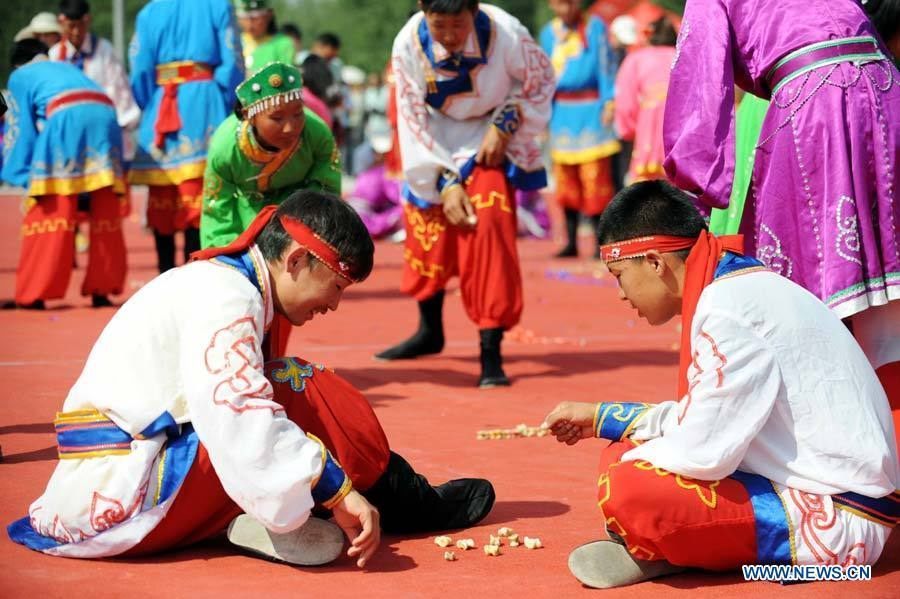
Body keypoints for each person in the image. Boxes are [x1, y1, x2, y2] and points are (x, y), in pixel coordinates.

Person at [7, 191, 494, 564]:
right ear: (297, 260)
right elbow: (237, 410)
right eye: (338, 285)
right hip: (130, 497)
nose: (334, 304)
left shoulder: (222, 283)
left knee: (274, 386)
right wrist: (338, 492)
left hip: (116, 482)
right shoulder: (227, 295)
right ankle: (406, 502)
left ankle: (261, 511)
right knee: (298, 385)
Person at [542, 180, 899, 588]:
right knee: (621, 454)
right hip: (815, 485)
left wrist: (631, 458)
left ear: (655, 263)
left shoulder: (726, 309)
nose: (621, 294)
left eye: (619, 275)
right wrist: (607, 418)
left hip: (840, 522)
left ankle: (689, 553)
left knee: (628, 487)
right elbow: (710, 417)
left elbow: (704, 450)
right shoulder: (732, 287)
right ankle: (683, 547)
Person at [662, 0, 900, 424]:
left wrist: (694, 189)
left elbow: (699, 78)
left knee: (805, 284)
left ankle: (828, 428)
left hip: (815, 98)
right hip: (886, 86)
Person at [376, 0, 556, 388]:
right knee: (427, 230)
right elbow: (411, 117)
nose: (450, 37)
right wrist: (443, 178)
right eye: (439, 25)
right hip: (432, 141)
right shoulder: (407, 43)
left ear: (474, 10)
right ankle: (430, 330)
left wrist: (508, 120)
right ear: (423, 10)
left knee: (488, 225)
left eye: (458, 25)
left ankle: (490, 350)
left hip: (489, 137)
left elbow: (541, 79)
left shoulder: (505, 32)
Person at [200, 62, 341, 356]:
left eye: (298, 114)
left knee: (284, 289)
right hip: (244, 218)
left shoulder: (317, 133)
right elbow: (218, 209)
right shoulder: (225, 146)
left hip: (296, 215)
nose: (291, 127)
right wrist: (222, 259)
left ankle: (271, 359)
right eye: (277, 118)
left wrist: (305, 226)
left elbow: (326, 188)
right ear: (250, 117)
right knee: (239, 292)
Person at [1, 39, 126, 310]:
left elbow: (19, 129)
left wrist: (24, 175)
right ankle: (102, 289)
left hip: (67, 115)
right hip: (106, 112)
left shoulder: (19, 76)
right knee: (103, 204)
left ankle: (34, 293)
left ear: (18, 63)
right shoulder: (63, 68)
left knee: (52, 206)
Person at [128, 0, 244, 273]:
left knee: (163, 193)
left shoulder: (149, 11)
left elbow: (140, 68)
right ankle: (195, 272)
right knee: (200, 193)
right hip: (204, 101)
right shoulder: (218, 5)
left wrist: (151, 102)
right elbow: (232, 59)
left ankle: (165, 273)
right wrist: (224, 100)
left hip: (162, 102)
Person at [540, 0, 620, 259]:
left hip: (591, 110)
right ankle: (571, 241)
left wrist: (609, 101)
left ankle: (600, 242)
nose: (565, 9)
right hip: (561, 114)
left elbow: (606, 66)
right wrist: (542, 114)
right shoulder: (548, 34)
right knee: (566, 182)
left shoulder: (595, 28)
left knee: (596, 180)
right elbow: (544, 77)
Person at [50, 0, 141, 162]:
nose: (77, 32)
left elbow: (119, 90)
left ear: (88, 20)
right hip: (68, 134)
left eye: (81, 25)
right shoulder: (55, 55)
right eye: (71, 26)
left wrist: (122, 126)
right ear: (61, 22)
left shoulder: (104, 50)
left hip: (102, 134)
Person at [613, 16, 675, 185]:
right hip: (680, 126)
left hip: (649, 126)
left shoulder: (636, 58)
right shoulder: (683, 56)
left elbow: (625, 103)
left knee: (646, 189)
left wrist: (630, 129)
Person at [236, 0, 294, 72]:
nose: (249, 24)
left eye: (255, 18)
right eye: (244, 18)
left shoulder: (283, 43)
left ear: (269, 15)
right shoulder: (234, 42)